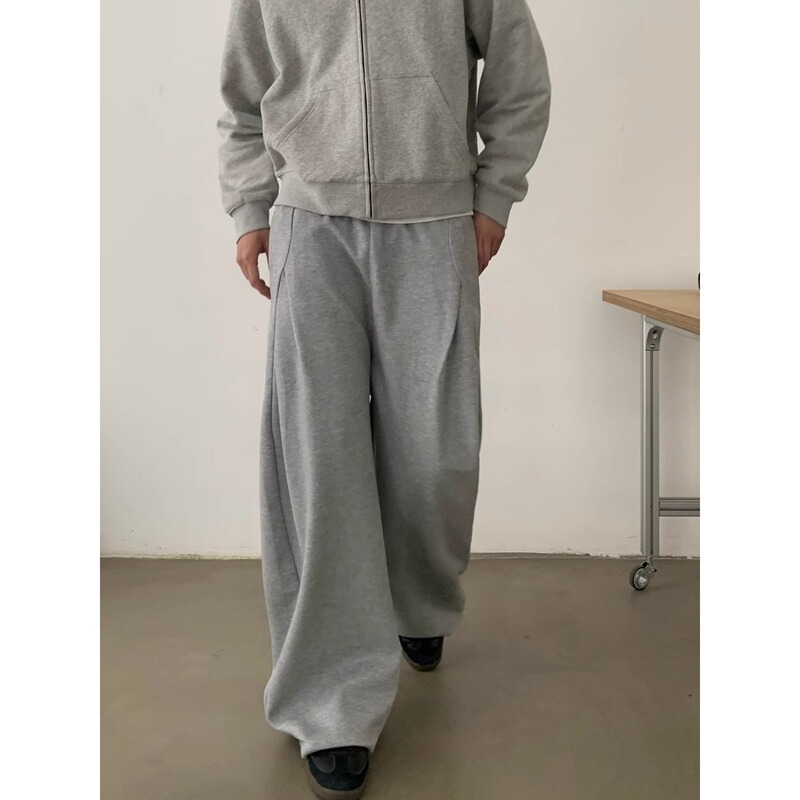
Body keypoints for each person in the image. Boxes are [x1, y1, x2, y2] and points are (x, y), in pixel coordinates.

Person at [217, 1, 550, 796]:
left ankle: (418, 599)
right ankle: (330, 701)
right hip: (311, 229)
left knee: (436, 454)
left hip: (435, 225)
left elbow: (520, 77)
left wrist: (494, 194)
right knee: (321, 464)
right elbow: (241, 98)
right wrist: (250, 206)